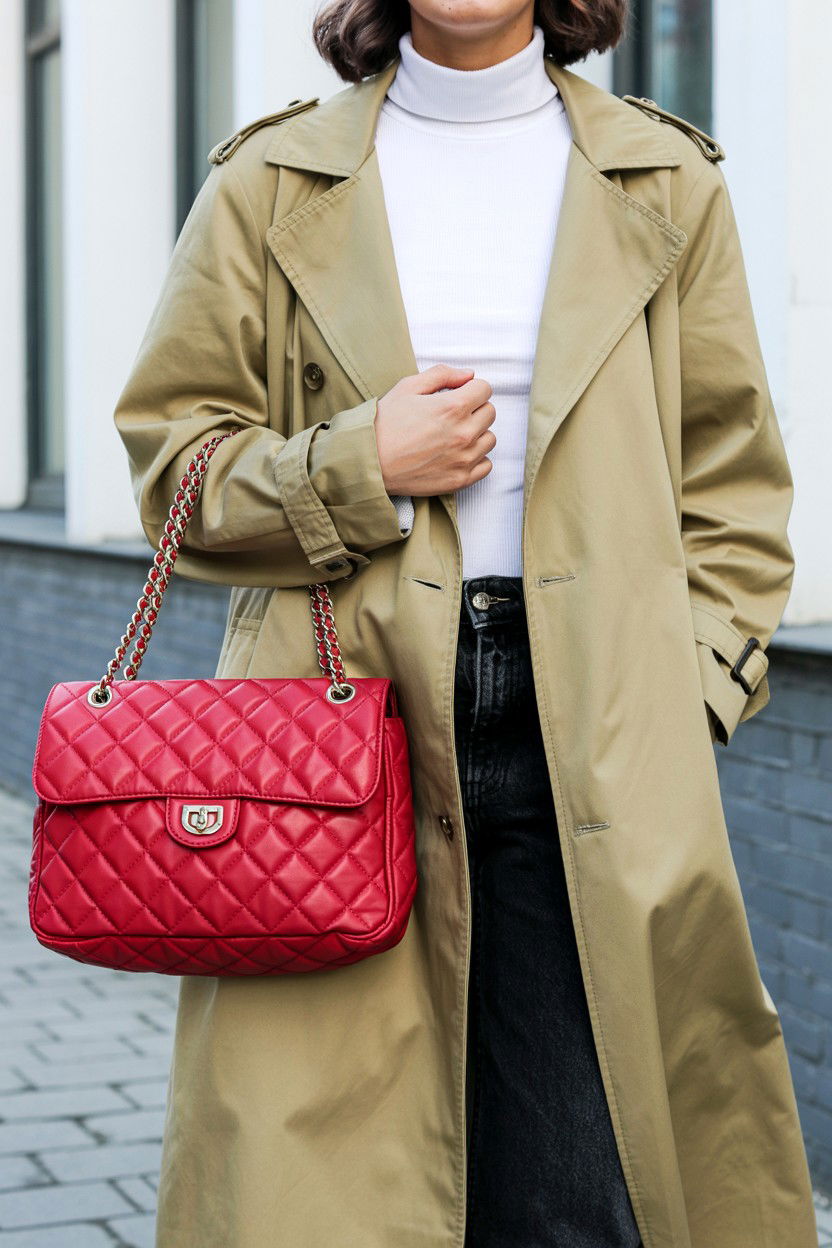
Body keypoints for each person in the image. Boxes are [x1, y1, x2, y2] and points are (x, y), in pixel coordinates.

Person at [114, 2, 819, 1246]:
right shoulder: (271, 178)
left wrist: (692, 693)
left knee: (582, 1184)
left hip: (601, 726)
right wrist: (361, 464)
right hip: (337, 731)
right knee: (331, 1190)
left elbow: (733, 487)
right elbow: (175, 471)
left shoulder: (665, 176)